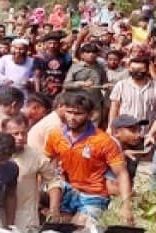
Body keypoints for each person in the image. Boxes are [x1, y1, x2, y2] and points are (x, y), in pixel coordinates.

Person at [45, 90, 132, 225]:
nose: (72, 117)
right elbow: (48, 163)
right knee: (54, 225)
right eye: (69, 112)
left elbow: (121, 174)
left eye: (78, 114)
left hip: (93, 195)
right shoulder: (55, 135)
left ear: (90, 115)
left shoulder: (103, 141)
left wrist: (126, 206)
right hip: (66, 190)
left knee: (79, 228)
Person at [2, 114, 59, 230]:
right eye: (15, 134)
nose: (20, 137)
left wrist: (54, 209)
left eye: (23, 133)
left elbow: (53, 181)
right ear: (4, 133)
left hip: (26, 218)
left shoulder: (36, 156)